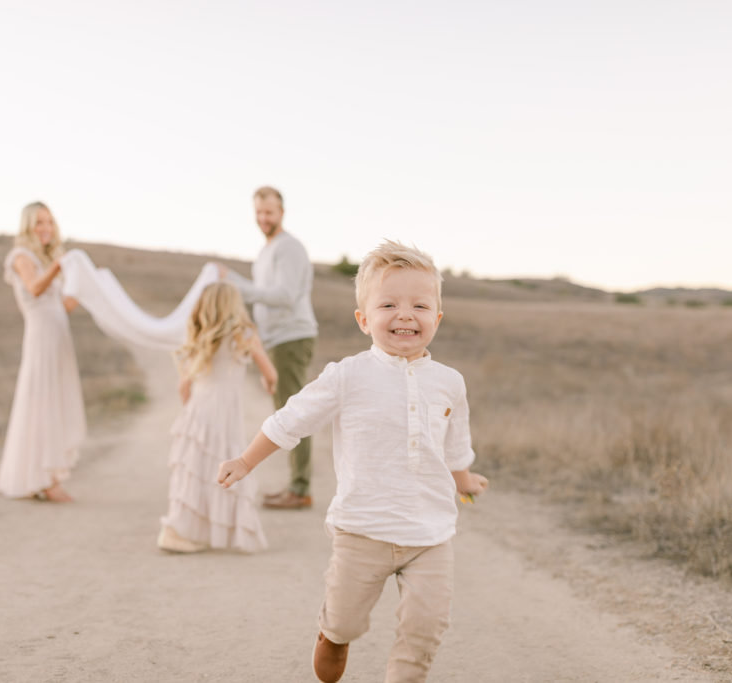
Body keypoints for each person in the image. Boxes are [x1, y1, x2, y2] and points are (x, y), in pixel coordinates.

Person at [217, 240, 489, 682]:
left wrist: (464, 479)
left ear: (436, 318)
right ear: (364, 319)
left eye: (420, 304)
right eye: (388, 304)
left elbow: (454, 444)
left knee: (426, 628)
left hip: (430, 533)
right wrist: (247, 461)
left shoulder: (449, 383)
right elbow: (291, 419)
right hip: (363, 529)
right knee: (345, 617)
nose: (405, 314)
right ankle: (333, 635)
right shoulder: (348, 376)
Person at [157, 282, 278, 554]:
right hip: (224, 413)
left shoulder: (199, 334)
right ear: (234, 305)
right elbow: (270, 373)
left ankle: (180, 529)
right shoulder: (244, 333)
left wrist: (190, 411)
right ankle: (191, 531)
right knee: (224, 467)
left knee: (193, 469)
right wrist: (268, 384)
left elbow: (183, 386)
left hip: (198, 408)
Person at [221, 186, 318, 509]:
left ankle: (300, 489)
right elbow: (263, 300)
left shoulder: (289, 248)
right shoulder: (266, 251)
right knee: (285, 413)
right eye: (259, 213)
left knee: (294, 415)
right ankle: (295, 485)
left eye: (269, 212)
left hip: (292, 337)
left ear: (282, 212)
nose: (263, 219)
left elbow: (285, 296)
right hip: (276, 340)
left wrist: (236, 283)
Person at [0, 202, 86, 502]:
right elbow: (35, 288)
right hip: (41, 338)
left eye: (49, 222)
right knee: (42, 400)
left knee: (53, 399)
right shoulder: (21, 257)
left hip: (58, 337)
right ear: (28, 227)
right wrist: (58, 266)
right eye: (39, 223)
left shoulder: (47, 260)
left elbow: (65, 306)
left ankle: (40, 476)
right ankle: (47, 481)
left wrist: (86, 285)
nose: (45, 228)